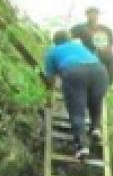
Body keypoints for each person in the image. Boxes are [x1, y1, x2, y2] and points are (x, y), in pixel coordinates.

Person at [42, 29, 109, 160]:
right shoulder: (79, 46)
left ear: (55, 42)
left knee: (77, 111)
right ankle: (95, 128)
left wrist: (49, 100)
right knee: (95, 102)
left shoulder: (52, 52)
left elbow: (49, 80)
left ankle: (82, 146)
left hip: (74, 72)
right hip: (99, 71)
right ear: (69, 39)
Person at [71, 6, 113, 83]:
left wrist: (106, 49)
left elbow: (111, 44)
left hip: (104, 54)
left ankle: (108, 83)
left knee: (112, 61)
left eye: (95, 13)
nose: (93, 16)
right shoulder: (80, 28)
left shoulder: (106, 29)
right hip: (88, 55)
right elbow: (67, 38)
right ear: (86, 15)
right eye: (90, 13)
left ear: (98, 15)